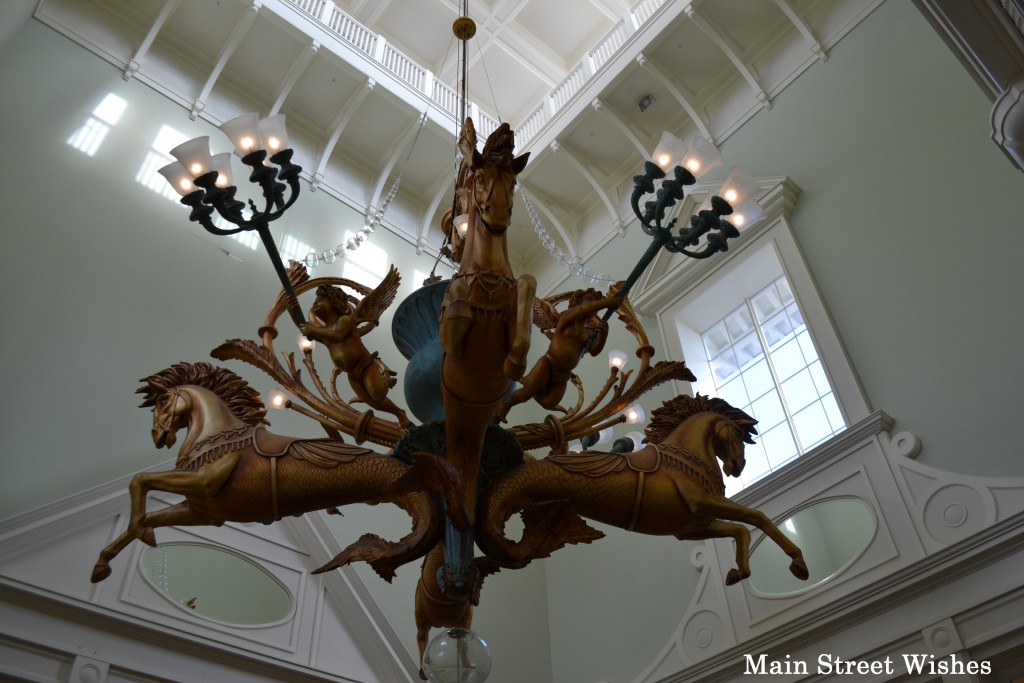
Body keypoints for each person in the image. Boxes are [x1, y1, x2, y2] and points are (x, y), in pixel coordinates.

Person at [299, 267, 410, 427]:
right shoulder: (324, 333)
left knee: (377, 394)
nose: (315, 304)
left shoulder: (345, 321)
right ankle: (399, 413)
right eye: (315, 302)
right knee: (374, 403)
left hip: (365, 365)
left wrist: (312, 330)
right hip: (352, 375)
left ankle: (384, 382)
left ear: (334, 303)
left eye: (320, 300)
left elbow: (338, 335)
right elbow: (302, 327)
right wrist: (292, 308)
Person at [497, 289, 622, 422]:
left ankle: (531, 383)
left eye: (595, 302)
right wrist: (607, 303)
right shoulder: (567, 318)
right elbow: (582, 309)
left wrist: (603, 337)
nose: (593, 304)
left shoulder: (587, 333)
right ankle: (505, 406)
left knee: (548, 403)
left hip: (563, 374)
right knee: (524, 395)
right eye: (590, 300)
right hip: (548, 364)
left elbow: (594, 351)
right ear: (577, 303)